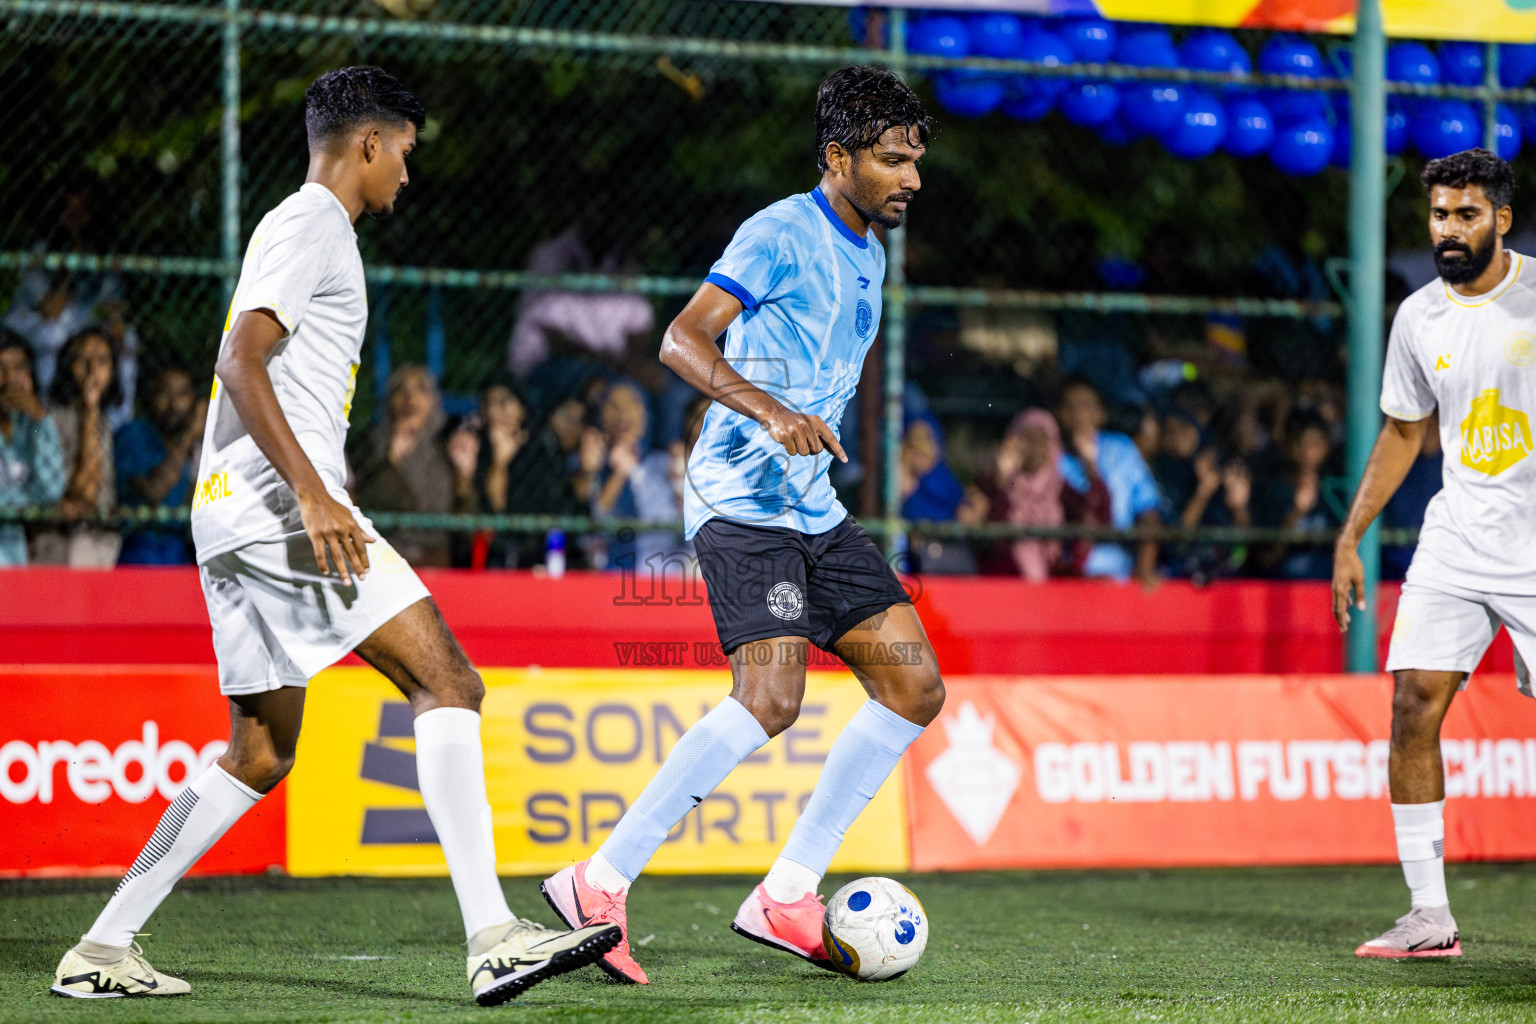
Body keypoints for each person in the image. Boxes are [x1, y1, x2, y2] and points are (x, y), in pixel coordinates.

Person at [49, 66, 617, 1005]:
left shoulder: (306, 227)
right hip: (281, 510)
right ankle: (491, 937)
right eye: (404, 151)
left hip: (231, 512)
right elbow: (238, 359)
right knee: (448, 681)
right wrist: (315, 495)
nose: (407, 172)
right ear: (367, 142)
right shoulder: (313, 222)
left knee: (263, 751)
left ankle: (102, 948)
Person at [540, 65, 941, 984]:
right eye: (890, 160)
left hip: (814, 506)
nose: (909, 179)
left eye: (915, 161)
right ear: (837, 157)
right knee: (770, 698)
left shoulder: (872, 250)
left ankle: (789, 894)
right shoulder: (780, 232)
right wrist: (770, 412)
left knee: (913, 687)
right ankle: (596, 883)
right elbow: (682, 339)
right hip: (741, 497)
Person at [1333, 149, 1533, 960]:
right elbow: (1405, 430)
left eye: (1465, 215)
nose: (1448, 230)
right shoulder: (1420, 315)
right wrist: (1352, 536)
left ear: (1501, 220)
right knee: (1413, 702)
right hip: (1456, 538)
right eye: (1438, 216)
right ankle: (1429, 917)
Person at [1056, 376, 1162, 586]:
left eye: (1086, 406)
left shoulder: (1122, 449)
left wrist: (1144, 568)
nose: (1079, 414)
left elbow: (1149, 511)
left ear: (1101, 414)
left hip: (1121, 572)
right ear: (1060, 415)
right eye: (1071, 407)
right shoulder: (1052, 454)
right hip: (1065, 575)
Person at [349, 365, 454, 567]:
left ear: (433, 400)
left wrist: (464, 480)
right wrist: (392, 461)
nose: (410, 397)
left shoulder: (446, 447)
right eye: (401, 390)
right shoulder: (372, 445)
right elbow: (369, 501)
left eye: (420, 388)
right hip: (385, 550)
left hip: (433, 554)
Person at [33, 327, 121, 567]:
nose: (93, 370)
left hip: (100, 537)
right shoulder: (52, 419)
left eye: (102, 361)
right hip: (64, 541)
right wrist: (89, 409)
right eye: (84, 360)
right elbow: (83, 493)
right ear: (67, 366)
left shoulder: (106, 422)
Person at [115, 366, 206, 565]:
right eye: (164, 393)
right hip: (139, 553)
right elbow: (154, 492)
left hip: (179, 555)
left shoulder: (201, 445)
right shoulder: (132, 435)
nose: (173, 404)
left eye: (182, 394)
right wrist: (189, 435)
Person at [0, 331, 66, 566]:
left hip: (15, 558)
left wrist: (39, 419)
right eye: (1, 369)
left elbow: (50, 490)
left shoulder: (31, 427)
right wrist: (26, 502)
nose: (10, 379)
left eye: (18, 368)